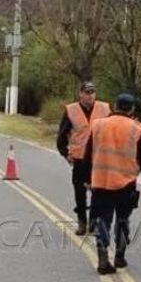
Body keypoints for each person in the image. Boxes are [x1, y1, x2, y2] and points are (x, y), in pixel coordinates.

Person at [82, 93, 141, 275]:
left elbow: (88, 153)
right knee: (122, 220)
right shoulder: (137, 129)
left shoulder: (97, 125)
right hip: (125, 183)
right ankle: (119, 256)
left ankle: (103, 257)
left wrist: (86, 179)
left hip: (100, 181)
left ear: (114, 106)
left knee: (102, 220)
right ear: (132, 109)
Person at [56, 81, 111, 235]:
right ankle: (82, 222)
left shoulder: (105, 109)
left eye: (92, 92)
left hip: (98, 158)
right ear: (80, 94)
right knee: (80, 193)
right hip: (79, 159)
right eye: (87, 92)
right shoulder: (71, 110)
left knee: (98, 193)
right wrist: (66, 154)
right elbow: (61, 136)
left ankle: (94, 222)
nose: (90, 95)